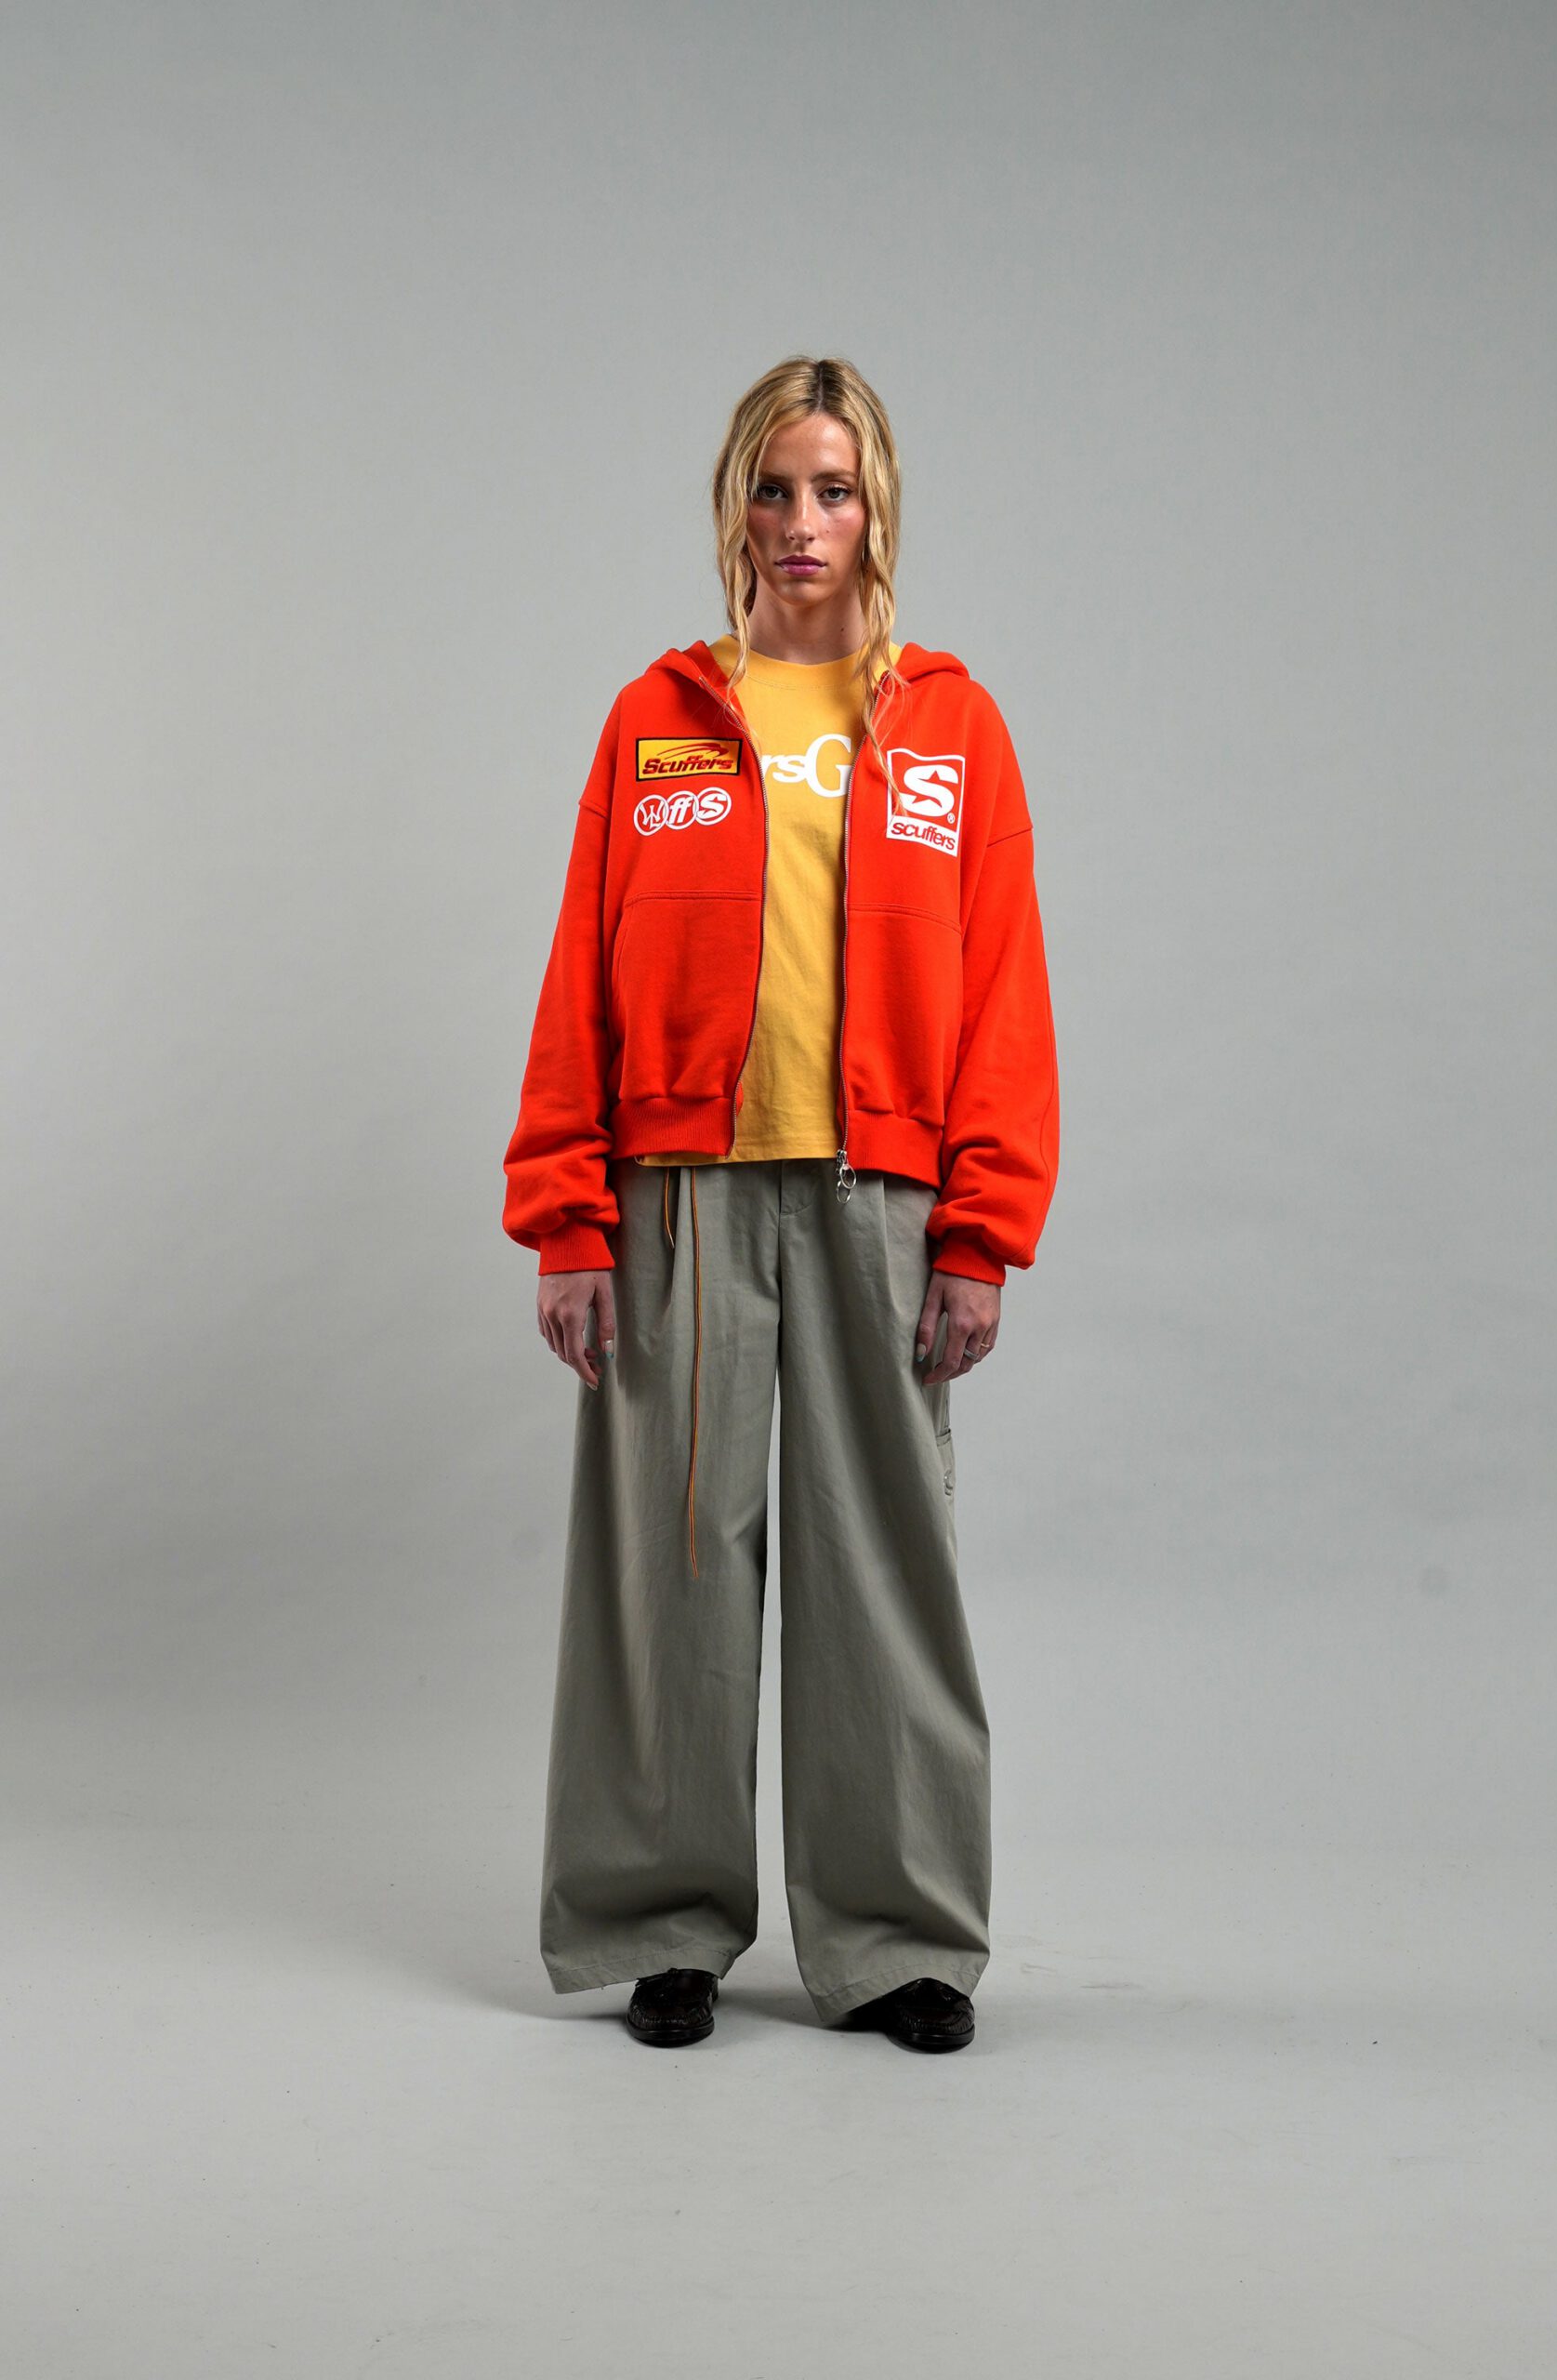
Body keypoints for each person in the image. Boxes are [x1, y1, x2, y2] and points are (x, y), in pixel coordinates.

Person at [501, 354, 1059, 2053]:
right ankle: (661, 1922)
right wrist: (569, 1215)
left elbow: (1006, 997)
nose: (801, 521)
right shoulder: (657, 716)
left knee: (882, 1572)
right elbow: (580, 974)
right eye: (772, 487)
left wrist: (982, 1232)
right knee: (670, 1571)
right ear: (732, 505)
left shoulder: (950, 727)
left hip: (881, 1204)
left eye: (833, 489)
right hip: (677, 1202)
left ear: (877, 508)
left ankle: (900, 1940)